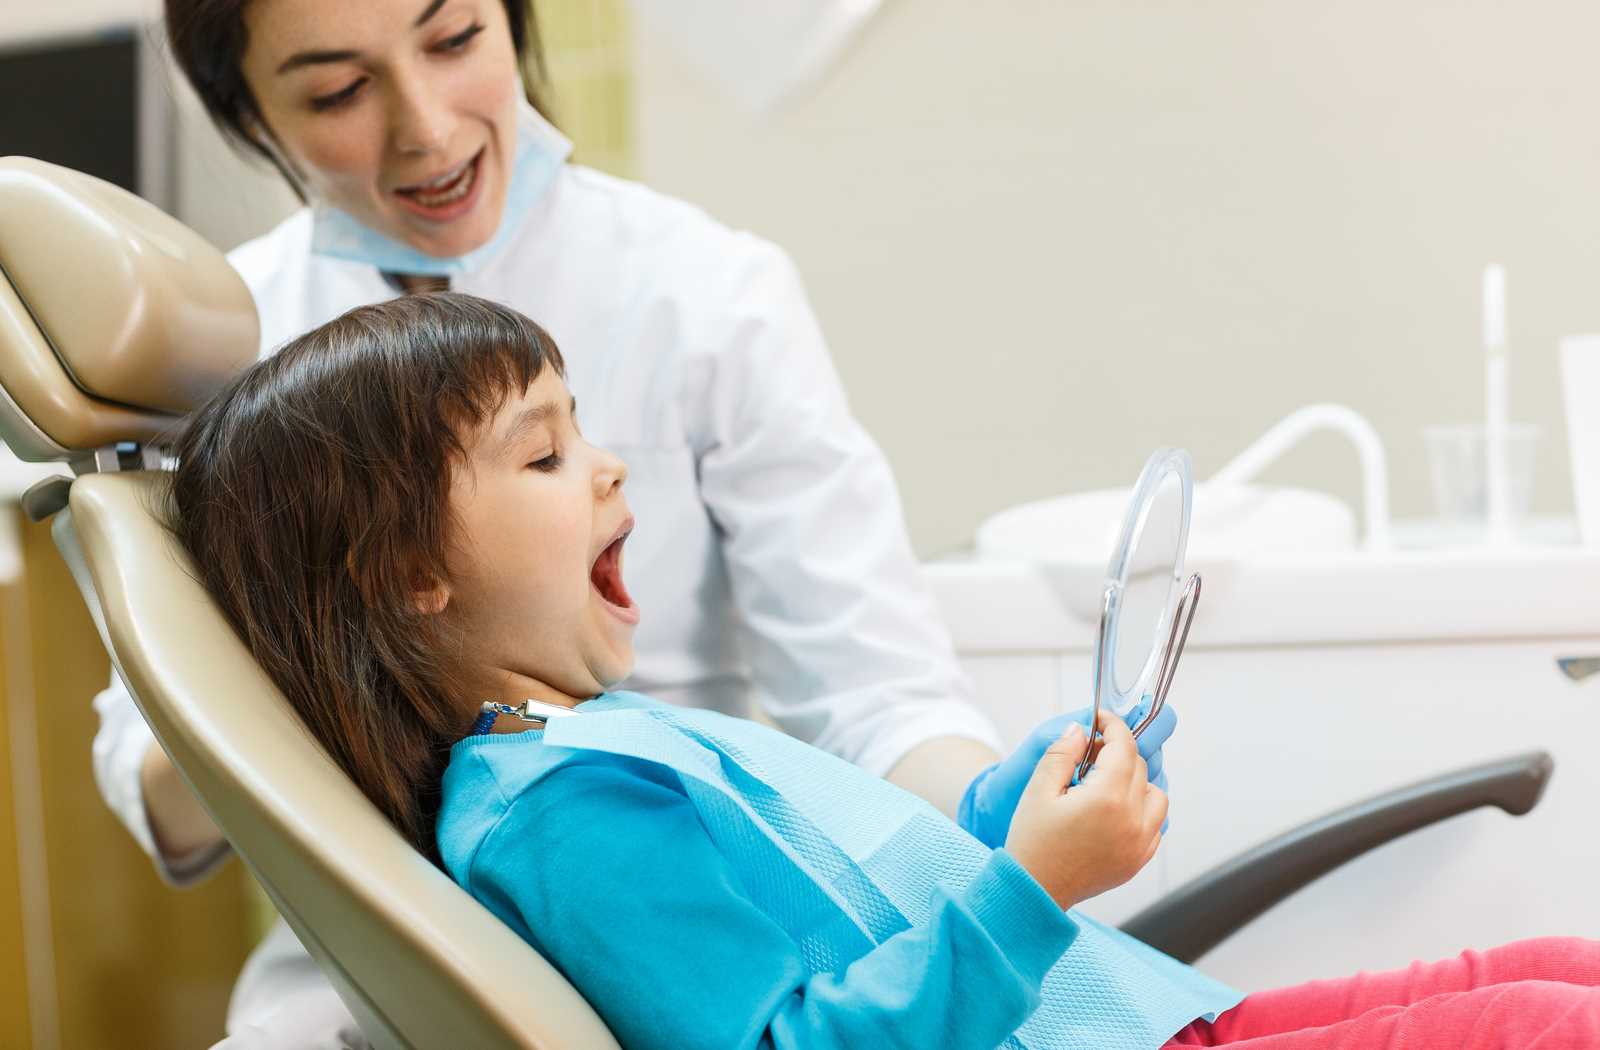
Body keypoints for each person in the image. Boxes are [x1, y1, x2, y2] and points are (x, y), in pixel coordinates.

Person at [94, 1, 1174, 1044]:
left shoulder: (702, 296)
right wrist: (312, 626)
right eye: (337, 90)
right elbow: (155, 766)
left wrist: (992, 827)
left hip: (716, 903)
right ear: (249, 117)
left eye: (455, 37)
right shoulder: (219, 367)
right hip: (392, 953)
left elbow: (875, 693)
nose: (425, 126)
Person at [173, 292, 1600, 1049]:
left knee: (1557, 974)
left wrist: (998, 812)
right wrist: (1034, 884)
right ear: (412, 578)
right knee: (1543, 1023)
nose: (603, 460)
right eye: (542, 455)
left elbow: (863, 891)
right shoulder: (558, 814)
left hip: (1126, 1019)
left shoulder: (596, 736)